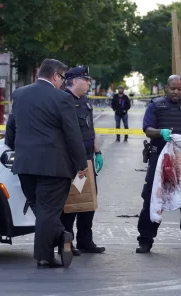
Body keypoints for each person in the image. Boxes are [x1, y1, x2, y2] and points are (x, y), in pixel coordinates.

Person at [5, 59, 88, 269]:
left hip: (25, 165)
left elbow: (11, 127)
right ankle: (44, 256)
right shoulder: (62, 99)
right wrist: (81, 163)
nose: (63, 82)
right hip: (54, 167)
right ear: (55, 76)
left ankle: (61, 236)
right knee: (49, 211)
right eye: (62, 78)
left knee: (41, 210)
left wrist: (16, 148)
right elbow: (72, 134)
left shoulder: (20, 94)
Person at [136, 75, 181, 254]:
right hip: (159, 160)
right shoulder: (156, 106)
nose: (176, 92)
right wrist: (160, 132)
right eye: (172, 89)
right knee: (152, 198)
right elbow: (147, 129)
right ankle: (145, 240)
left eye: (179, 89)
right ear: (166, 88)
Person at [60, 66, 105, 256]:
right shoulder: (63, 101)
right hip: (72, 159)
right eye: (85, 79)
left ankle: (86, 241)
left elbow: (90, 128)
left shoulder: (85, 101)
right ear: (74, 81)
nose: (88, 82)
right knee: (73, 201)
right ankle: (67, 243)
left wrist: (98, 151)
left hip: (87, 157)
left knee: (89, 199)